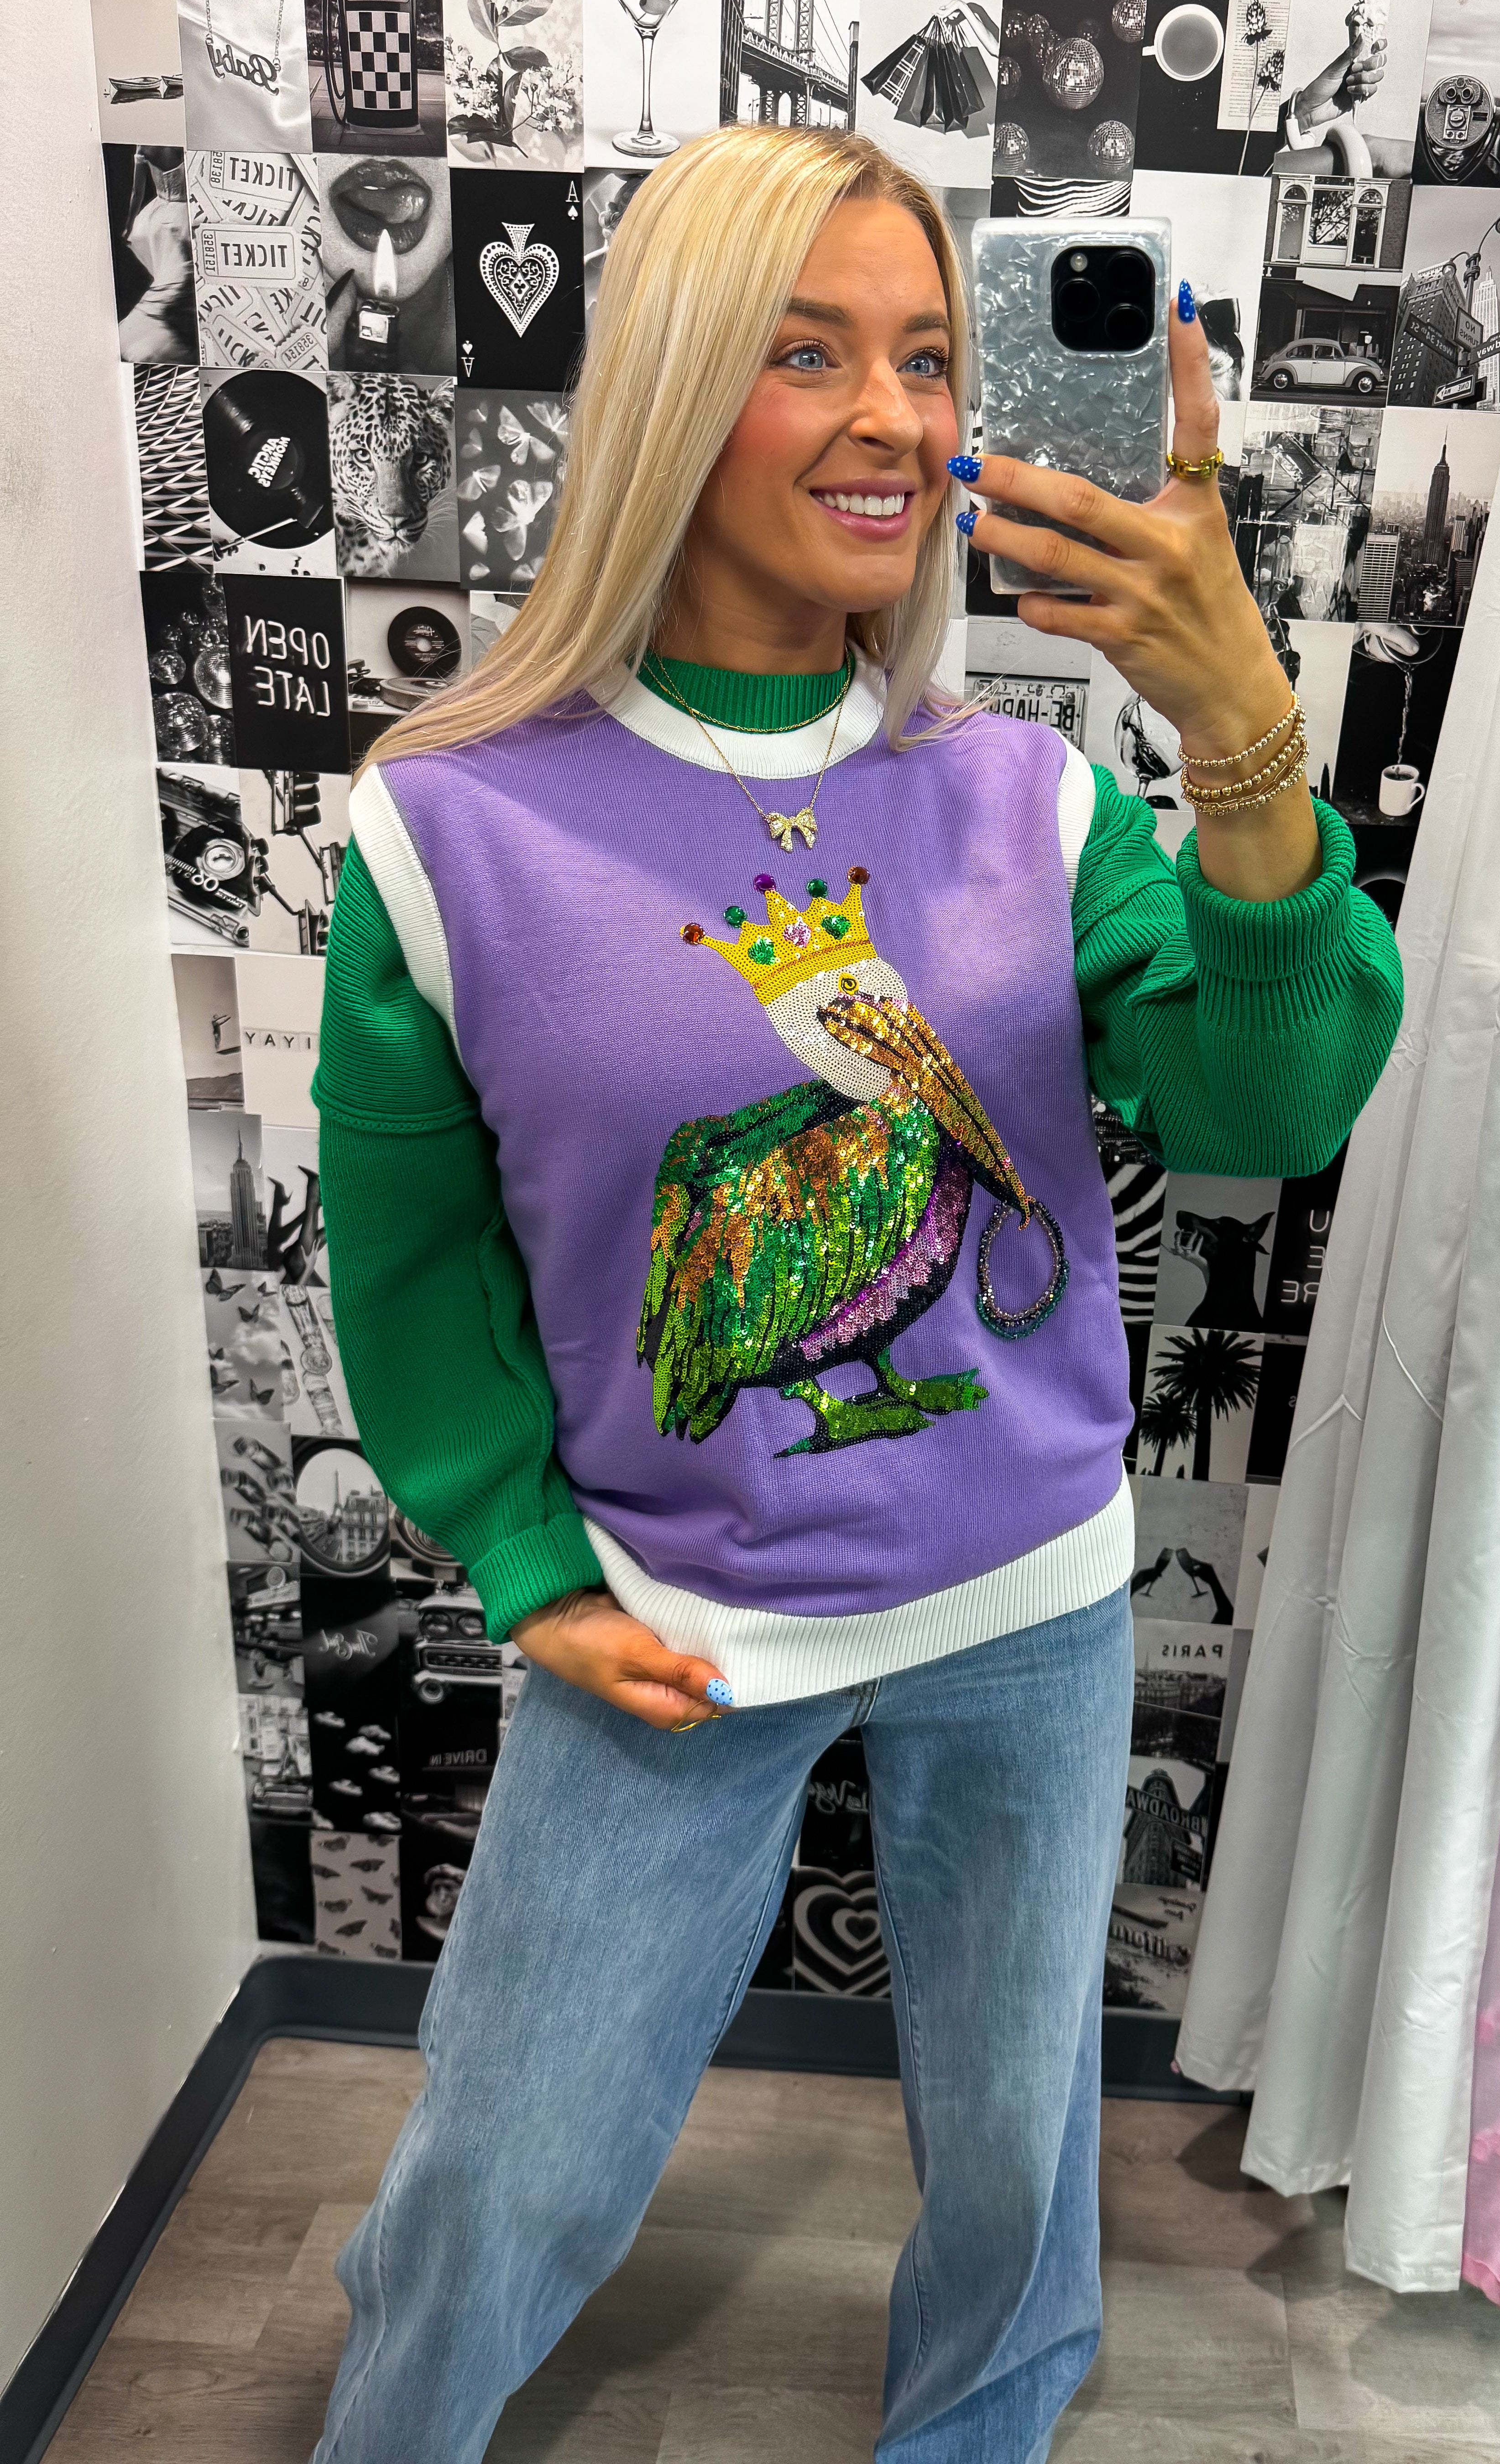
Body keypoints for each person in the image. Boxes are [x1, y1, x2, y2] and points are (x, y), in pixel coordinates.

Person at [308, 122, 1401, 2463]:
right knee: (504, 2164)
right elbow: (411, 1261)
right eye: (807, 353)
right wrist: (523, 1555)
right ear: (675, 385)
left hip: (1032, 1595)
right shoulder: (447, 823)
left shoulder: (1031, 799)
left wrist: (1243, 740)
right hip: (685, 1611)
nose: (893, 416)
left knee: (1017, 2149)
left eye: (927, 356)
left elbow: (1273, 1100)